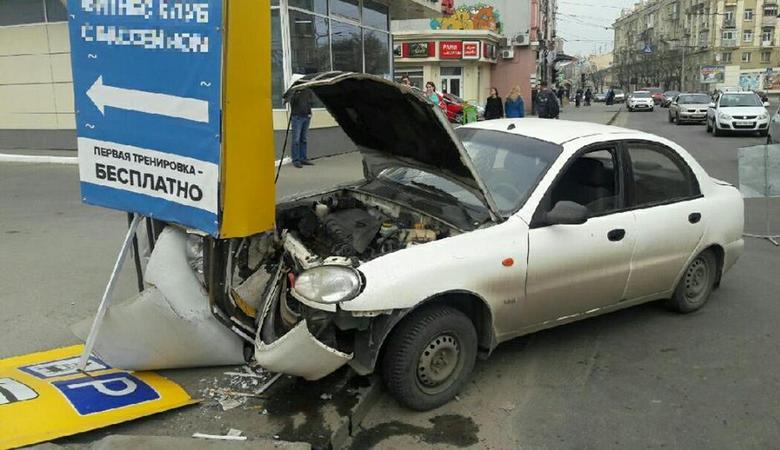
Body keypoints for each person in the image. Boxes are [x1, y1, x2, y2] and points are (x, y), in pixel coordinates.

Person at [285, 80, 314, 169]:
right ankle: (296, 160)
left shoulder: (307, 91)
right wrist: (296, 92)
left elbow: (311, 102)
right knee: (296, 140)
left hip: (306, 116)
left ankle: (303, 158)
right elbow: (288, 100)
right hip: (297, 117)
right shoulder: (293, 91)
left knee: (303, 139)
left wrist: (309, 113)